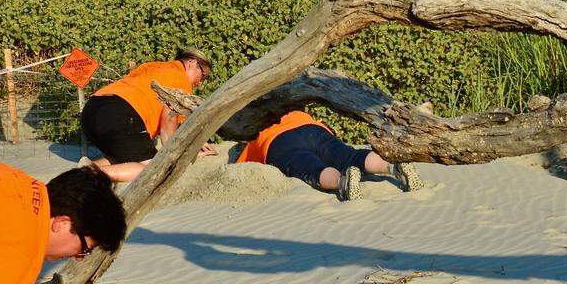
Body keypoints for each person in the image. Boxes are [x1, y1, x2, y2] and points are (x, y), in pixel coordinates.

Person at [81, 48, 216, 183]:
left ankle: (86, 168)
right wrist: (180, 154)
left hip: (91, 109)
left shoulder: (152, 65)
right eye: (202, 75)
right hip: (119, 112)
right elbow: (168, 120)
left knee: (127, 156)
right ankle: (86, 176)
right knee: (152, 170)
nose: (200, 83)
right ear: (191, 63)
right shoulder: (182, 79)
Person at [237, 111, 423, 201]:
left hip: (278, 141)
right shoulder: (294, 110)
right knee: (349, 155)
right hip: (313, 128)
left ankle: (342, 183)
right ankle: (392, 167)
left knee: (310, 166)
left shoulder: (254, 130)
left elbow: (241, 167)